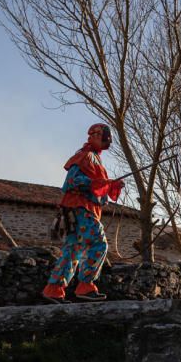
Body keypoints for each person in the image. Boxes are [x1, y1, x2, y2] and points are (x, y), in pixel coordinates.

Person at [42, 124, 124, 303]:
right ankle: (86, 286)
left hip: (79, 210)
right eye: (101, 135)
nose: (104, 139)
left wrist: (110, 185)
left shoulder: (94, 159)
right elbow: (72, 181)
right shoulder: (85, 156)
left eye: (103, 136)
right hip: (80, 209)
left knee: (73, 250)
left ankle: (53, 289)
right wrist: (100, 183)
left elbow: (99, 188)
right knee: (99, 244)